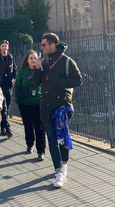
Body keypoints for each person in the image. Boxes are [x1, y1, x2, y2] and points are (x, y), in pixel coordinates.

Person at [33, 33, 82, 188]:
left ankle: (64, 165)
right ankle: (58, 172)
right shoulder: (45, 62)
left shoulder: (67, 62)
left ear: (52, 45)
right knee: (52, 141)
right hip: (46, 107)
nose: (41, 47)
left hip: (62, 107)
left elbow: (78, 80)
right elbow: (36, 82)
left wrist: (58, 82)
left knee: (62, 139)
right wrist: (37, 68)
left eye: (44, 45)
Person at [15, 50, 46, 161]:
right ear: (27, 61)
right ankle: (29, 144)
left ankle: (41, 151)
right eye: (31, 58)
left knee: (40, 128)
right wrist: (18, 102)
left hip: (38, 104)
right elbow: (17, 87)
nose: (33, 60)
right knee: (28, 126)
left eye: (35, 58)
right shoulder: (23, 72)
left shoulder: (42, 71)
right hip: (25, 104)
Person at [0, 40, 17, 138]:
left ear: (8, 47)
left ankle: (3, 126)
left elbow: (14, 71)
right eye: (2, 46)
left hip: (8, 85)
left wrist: (14, 79)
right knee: (2, 106)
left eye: (6, 46)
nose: (4, 48)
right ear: (0, 48)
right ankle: (5, 127)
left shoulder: (11, 58)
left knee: (7, 105)